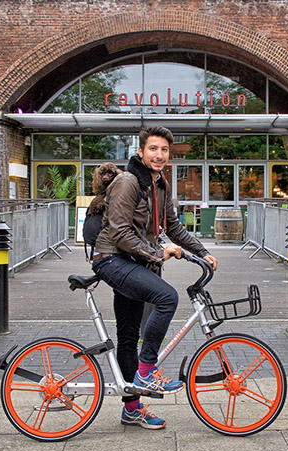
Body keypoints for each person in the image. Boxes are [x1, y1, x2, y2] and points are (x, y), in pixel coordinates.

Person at [91, 126, 218, 430]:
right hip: (111, 259)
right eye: (153, 149)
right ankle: (147, 373)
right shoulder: (128, 182)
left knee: (128, 335)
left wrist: (202, 252)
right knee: (167, 297)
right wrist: (158, 254)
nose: (159, 155)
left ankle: (132, 409)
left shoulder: (161, 184)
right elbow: (119, 232)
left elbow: (172, 226)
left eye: (164, 150)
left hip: (132, 261)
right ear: (141, 152)